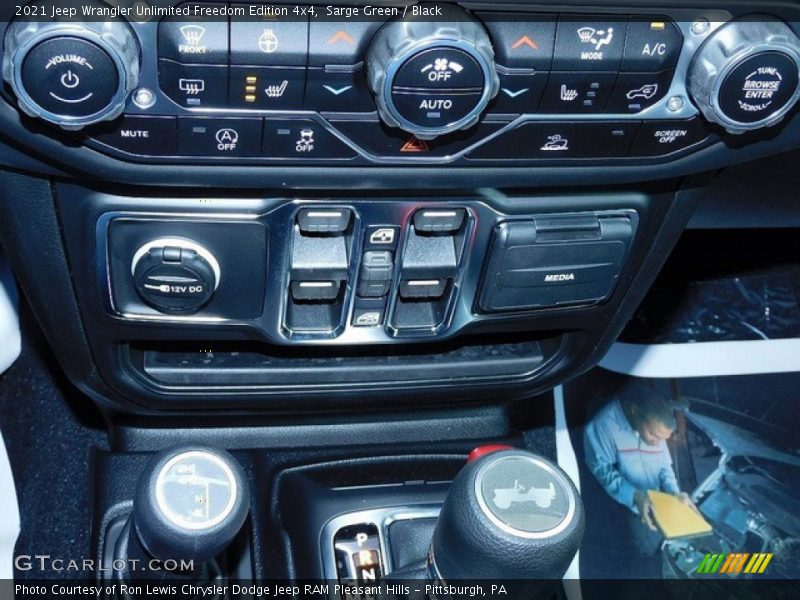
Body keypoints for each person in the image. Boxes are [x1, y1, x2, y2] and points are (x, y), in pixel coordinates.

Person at [584, 386, 695, 557]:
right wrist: (635, 495)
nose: (658, 443)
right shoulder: (602, 425)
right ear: (634, 411)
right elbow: (602, 470)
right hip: (618, 513)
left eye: (662, 439)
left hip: (653, 507)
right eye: (653, 435)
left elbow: (665, 467)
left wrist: (675, 493)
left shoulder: (655, 427)